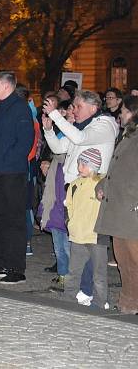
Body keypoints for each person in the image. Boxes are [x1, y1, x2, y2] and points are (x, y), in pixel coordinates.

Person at [0, 71, 35, 284]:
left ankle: (16, 267)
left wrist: (4, 161)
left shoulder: (19, 108)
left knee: (13, 220)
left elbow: (24, 142)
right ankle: (2, 261)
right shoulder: (0, 108)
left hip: (12, 172)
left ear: (5, 86)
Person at [94, 95, 138, 314]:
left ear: (132, 112)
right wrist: (102, 184)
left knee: (134, 258)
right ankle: (129, 302)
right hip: (120, 207)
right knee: (124, 260)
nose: (120, 115)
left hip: (132, 208)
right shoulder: (127, 135)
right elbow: (116, 168)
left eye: (123, 111)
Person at [63, 148, 109, 309]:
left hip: (96, 236)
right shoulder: (74, 185)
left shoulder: (101, 184)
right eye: (79, 164)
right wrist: (70, 222)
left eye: (83, 164)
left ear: (93, 166)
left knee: (99, 273)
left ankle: (100, 301)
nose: (79, 167)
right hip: (77, 235)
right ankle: (68, 298)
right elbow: (68, 205)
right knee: (73, 271)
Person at [38, 98, 73, 289]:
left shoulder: (79, 132)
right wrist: (49, 130)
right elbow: (54, 149)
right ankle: (62, 271)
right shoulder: (64, 131)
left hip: (66, 182)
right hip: (56, 181)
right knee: (57, 233)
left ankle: (69, 274)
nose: (68, 113)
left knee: (66, 235)